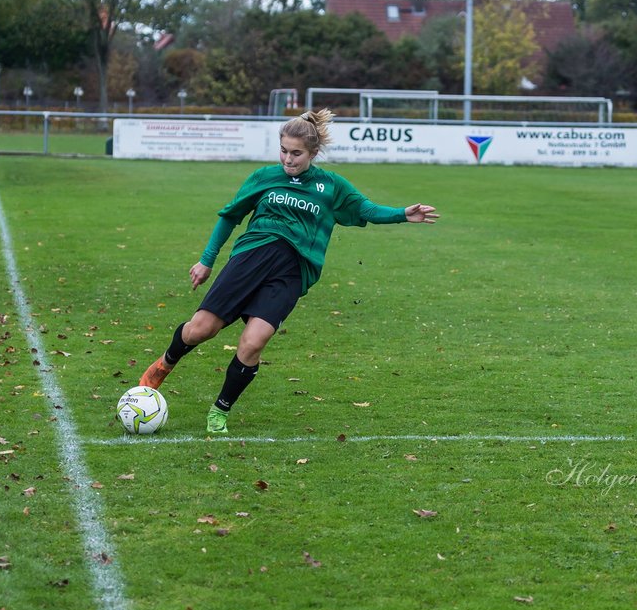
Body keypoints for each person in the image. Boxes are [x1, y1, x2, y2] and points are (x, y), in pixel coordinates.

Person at [138, 109, 439, 434]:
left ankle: (220, 411)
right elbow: (230, 216)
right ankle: (164, 364)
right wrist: (206, 260)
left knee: (253, 343)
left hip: (291, 272)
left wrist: (402, 214)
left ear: (312, 153)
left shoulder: (330, 185)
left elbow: (364, 209)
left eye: (296, 153)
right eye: (284, 150)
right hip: (250, 259)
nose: (288, 159)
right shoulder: (264, 177)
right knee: (200, 329)